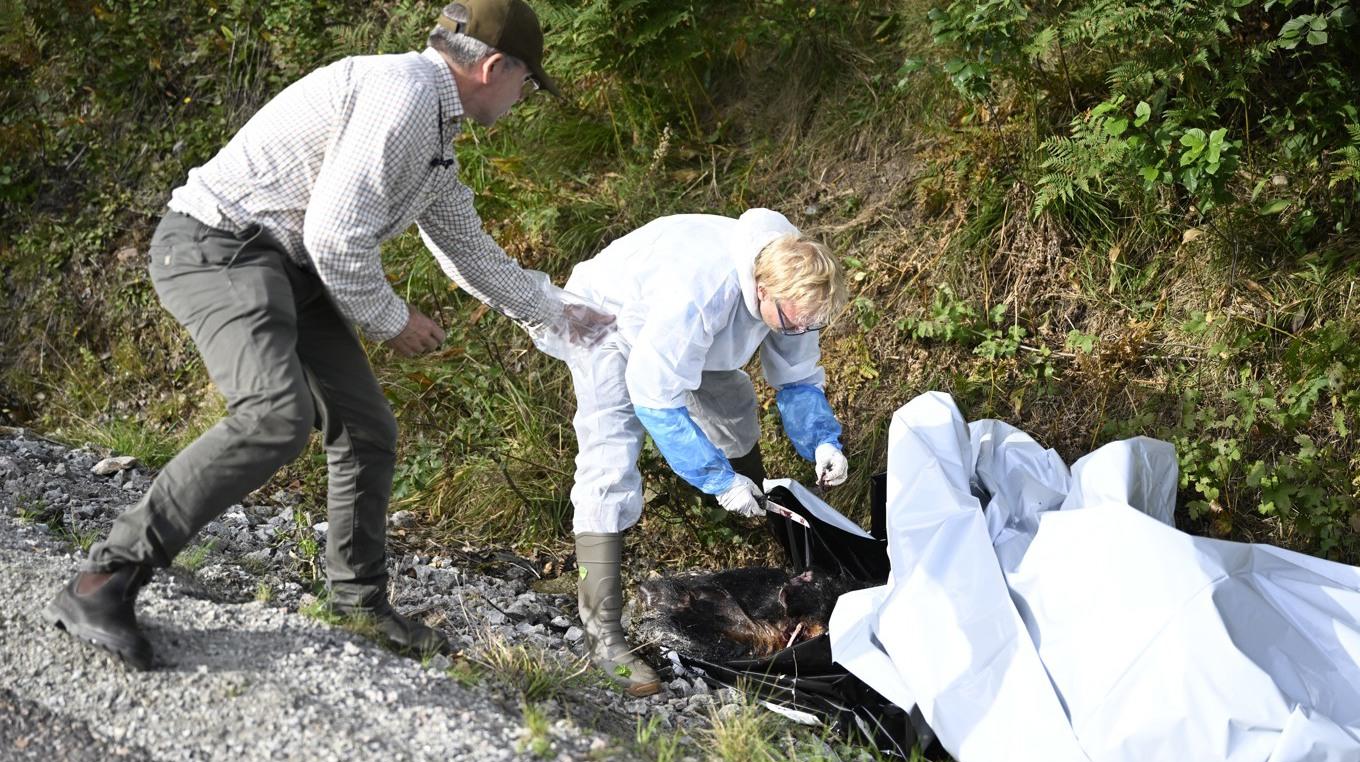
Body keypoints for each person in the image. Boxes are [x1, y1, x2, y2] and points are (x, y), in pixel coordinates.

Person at [42, 0, 613, 669]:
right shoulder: (399, 97)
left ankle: (357, 603)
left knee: (366, 426)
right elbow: (336, 239)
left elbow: (472, 253)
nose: (524, 98)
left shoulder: (434, 140)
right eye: (527, 83)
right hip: (217, 246)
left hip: (284, 265)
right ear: (493, 67)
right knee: (273, 418)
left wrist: (563, 313)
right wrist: (393, 321)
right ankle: (103, 579)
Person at [561, 208, 851, 694]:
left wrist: (823, 439)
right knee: (609, 459)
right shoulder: (701, 293)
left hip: (685, 340)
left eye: (807, 326)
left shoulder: (797, 290)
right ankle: (601, 632)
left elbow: (797, 376)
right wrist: (717, 481)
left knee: (734, 405)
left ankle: (752, 535)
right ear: (762, 290)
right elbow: (656, 398)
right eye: (790, 323)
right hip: (606, 322)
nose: (796, 332)